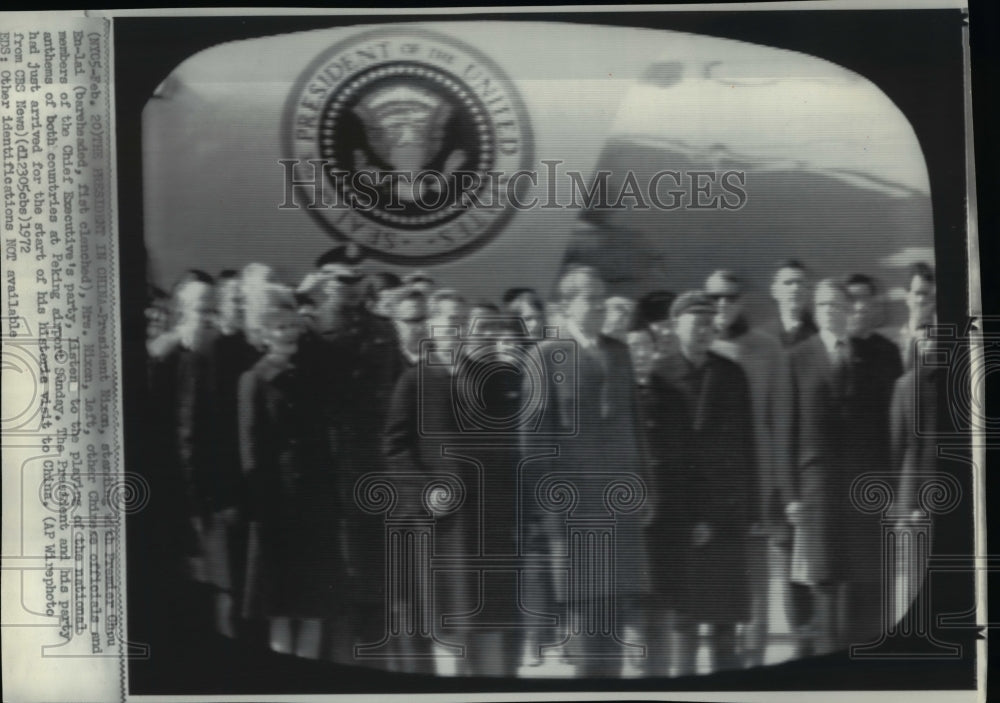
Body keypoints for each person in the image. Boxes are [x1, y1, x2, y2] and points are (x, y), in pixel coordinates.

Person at [544, 265, 648, 678]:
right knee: (588, 634)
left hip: (619, 510)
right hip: (575, 514)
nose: (601, 306)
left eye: (604, 298)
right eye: (592, 298)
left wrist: (645, 489)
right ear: (567, 304)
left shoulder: (618, 352)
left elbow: (634, 426)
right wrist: (553, 517)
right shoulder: (546, 355)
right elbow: (534, 445)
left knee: (614, 631)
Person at [648, 291, 758, 675]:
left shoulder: (731, 374)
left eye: (709, 325)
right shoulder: (658, 376)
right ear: (676, 326)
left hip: (726, 514)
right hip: (678, 518)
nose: (703, 332)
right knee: (684, 620)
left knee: (726, 622)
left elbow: (747, 446)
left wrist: (750, 510)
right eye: (695, 324)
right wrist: (689, 517)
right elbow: (661, 458)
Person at [779, 279, 884, 656]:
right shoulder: (797, 357)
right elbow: (785, 430)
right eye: (823, 306)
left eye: (837, 305)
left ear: (848, 311)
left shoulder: (867, 358)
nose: (830, 312)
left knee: (858, 586)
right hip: (816, 490)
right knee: (823, 580)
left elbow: (878, 428)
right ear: (816, 310)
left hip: (858, 491)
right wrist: (790, 495)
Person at [238, 285, 341, 659]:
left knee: (314, 606)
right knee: (280, 606)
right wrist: (260, 509)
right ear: (265, 335)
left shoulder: (311, 374)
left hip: (314, 502)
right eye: (278, 327)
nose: (288, 332)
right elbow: (250, 449)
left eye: (292, 325)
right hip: (277, 507)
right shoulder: (255, 380)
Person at [704, 270, 786, 667]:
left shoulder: (766, 349)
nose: (723, 304)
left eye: (731, 297)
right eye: (715, 297)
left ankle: (755, 653)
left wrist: (777, 483)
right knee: (713, 563)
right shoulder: (697, 347)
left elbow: (779, 419)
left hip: (756, 473)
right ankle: (716, 646)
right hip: (711, 478)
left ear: (742, 301)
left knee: (756, 565)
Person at [769, 260, 817, 348]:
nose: (795, 289)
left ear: (808, 290)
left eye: (800, 283)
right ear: (774, 291)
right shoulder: (763, 335)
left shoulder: (820, 333)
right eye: (788, 283)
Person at [897, 262, 936, 369]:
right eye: (918, 293)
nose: (922, 300)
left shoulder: (942, 337)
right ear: (906, 296)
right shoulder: (895, 342)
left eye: (926, 294)